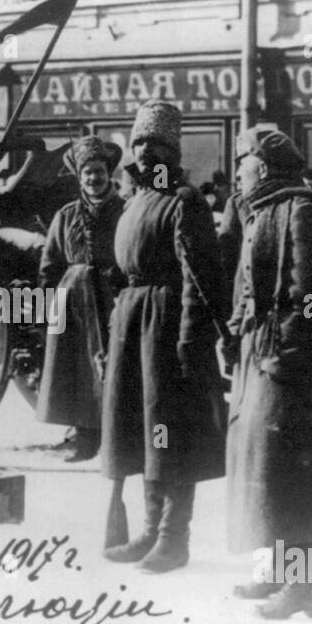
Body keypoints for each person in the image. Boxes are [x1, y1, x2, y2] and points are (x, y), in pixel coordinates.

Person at [225, 126, 312, 618]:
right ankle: (280, 572)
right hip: (261, 357)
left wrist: (290, 349)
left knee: (291, 474)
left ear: (262, 166)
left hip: (295, 367)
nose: (237, 173)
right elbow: (247, 287)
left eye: (243, 164)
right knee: (267, 472)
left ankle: (303, 587)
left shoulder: (303, 211)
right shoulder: (260, 211)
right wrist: (237, 334)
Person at [100, 102, 227, 573]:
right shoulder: (134, 201)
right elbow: (121, 268)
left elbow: (201, 276)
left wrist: (191, 338)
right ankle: (151, 529)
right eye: (140, 145)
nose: (146, 155)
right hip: (134, 326)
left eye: (156, 147)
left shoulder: (185, 201)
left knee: (171, 431)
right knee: (142, 429)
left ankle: (175, 537)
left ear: (173, 154)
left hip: (167, 328)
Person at [37, 137, 126, 463]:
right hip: (72, 302)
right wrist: (50, 303)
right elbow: (50, 263)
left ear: (108, 173)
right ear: (79, 177)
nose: (94, 179)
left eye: (99, 171)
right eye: (87, 173)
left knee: (112, 365)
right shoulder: (66, 215)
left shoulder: (124, 210)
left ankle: (114, 440)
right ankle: (84, 438)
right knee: (77, 371)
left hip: (111, 298)